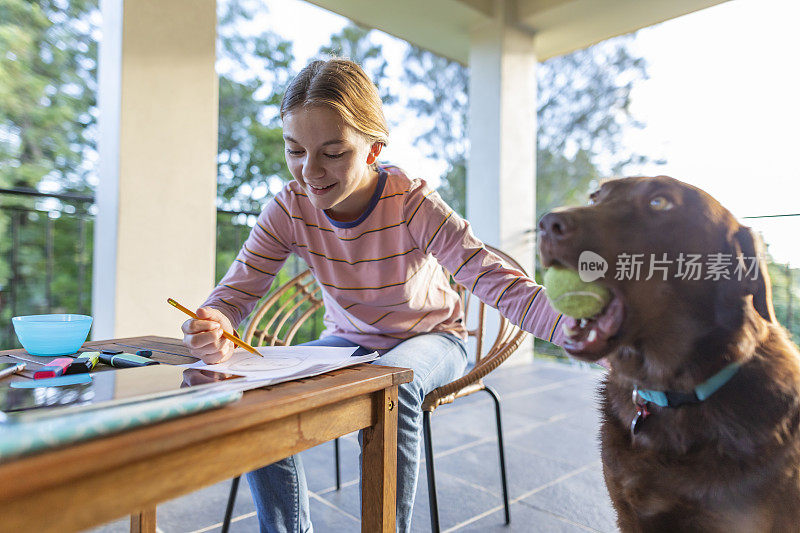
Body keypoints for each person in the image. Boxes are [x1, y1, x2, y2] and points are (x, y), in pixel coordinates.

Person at [182, 58, 565, 533]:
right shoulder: (288, 208)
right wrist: (214, 321)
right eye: (294, 149)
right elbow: (234, 295)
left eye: (333, 152)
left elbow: (494, 278)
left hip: (435, 339)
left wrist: (577, 331)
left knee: (393, 385)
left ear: (372, 150)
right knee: (252, 386)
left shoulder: (411, 202)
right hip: (351, 340)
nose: (310, 171)